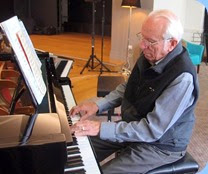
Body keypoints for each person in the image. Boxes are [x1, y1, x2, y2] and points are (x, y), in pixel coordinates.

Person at [70, 9, 199, 174]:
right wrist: (98, 105)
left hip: (160, 145)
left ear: (171, 44)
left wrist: (101, 128)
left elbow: (152, 130)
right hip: (135, 126)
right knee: (76, 146)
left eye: (150, 41)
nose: (142, 45)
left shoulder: (182, 78)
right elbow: (128, 87)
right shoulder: (150, 54)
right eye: (142, 37)